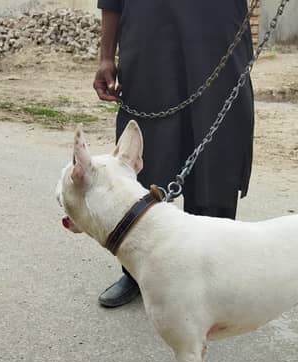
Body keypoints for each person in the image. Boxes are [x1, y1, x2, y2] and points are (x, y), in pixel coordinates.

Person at [93, 0, 255, 307]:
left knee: (217, 153)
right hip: (149, 39)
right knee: (146, 153)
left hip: (216, 39)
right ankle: (137, 271)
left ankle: (212, 273)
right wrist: (105, 57)